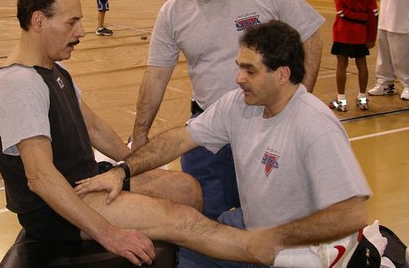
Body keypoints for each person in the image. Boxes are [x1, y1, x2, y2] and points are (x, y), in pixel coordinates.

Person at [0, 0, 293, 267]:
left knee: (187, 188)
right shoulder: (19, 85)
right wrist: (109, 233)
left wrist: (131, 167)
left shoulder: (53, 71)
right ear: (38, 21)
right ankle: (269, 252)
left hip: (86, 181)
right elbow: (40, 177)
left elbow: (94, 128)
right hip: (57, 209)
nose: (81, 31)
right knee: (180, 220)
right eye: (72, 22)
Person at [77, 20, 371, 268]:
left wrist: (278, 237)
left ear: (282, 74)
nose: (238, 78)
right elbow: (179, 139)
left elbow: (353, 214)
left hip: (302, 248)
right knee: (189, 253)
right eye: (239, 67)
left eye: (250, 70)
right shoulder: (240, 105)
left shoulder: (315, 124)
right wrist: (122, 170)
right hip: (253, 230)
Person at [131, 0, 324, 220]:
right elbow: (156, 75)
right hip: (209, 129)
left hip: (268, 128)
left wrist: (301, 98)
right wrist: (140, 135)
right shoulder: (173, 12)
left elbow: (311, 34)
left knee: (272, 219)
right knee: (205, 218)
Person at [328, 0, 378, 112]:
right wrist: (371, 36)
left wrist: (358, 17)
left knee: (341, 64)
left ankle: (341, 101)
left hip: (343, 32)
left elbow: (341, 12)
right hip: (360, 34)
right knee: (361, 63)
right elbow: (374, 14)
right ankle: (363, 99)